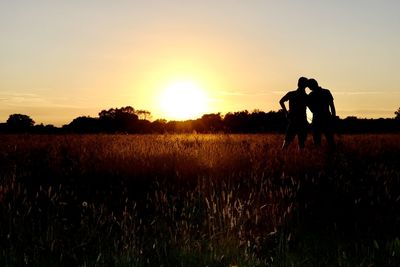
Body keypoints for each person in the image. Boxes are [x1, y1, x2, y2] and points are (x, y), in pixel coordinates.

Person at [279, 77, 309, 149]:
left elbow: (281, 101)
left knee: (289, 142)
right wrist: (286, 113)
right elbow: (281, 101)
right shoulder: (305, 96)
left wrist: (286, 113)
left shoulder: (293, 94)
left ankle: (285, 156)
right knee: (298, 142)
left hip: (297, 121)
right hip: (298, 121)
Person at [307, 78, 336, 149]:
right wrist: (333, 117)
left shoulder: (311, 95)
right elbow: (332, 106)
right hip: (326, 117)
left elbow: (309, 106)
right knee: (329, 139)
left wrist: (315, 111)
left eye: (309, 86)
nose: (309, 88)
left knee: (318, 140)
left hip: (318, 119)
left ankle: (321, 154)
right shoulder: (326, 92)